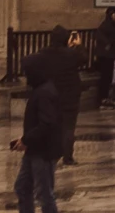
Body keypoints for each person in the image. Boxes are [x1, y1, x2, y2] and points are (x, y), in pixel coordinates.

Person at [12, 52, 61, 213]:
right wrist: (25, 139)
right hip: (34, 149)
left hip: (43, 152)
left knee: (44, 194)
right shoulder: (41, 89)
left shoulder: (45, 92)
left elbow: (47, 124)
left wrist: (26, 139)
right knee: (22, 187)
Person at [43, 30, 82, 168]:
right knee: (69, 127)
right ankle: (68, 157)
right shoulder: (71, 54)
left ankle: (51, 154)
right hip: (71, 95)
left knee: (53, 125)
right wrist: (77, 46)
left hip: (53, 94)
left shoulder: (45, 53)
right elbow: (83, 59)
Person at [91, 8, 115, 110]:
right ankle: (102, 100)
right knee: (105, 79)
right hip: (106, 57)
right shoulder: (105, 26)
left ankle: (108, 99)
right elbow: (101, 38)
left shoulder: (112, 26)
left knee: (110, 78)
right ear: (111, 15)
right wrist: (107, 45)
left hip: (112, 56)